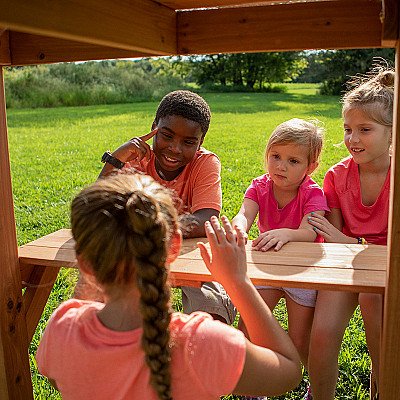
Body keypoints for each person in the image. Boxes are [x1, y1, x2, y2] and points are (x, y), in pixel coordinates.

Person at [36, 173, 302, 400]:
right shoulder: (204, 342)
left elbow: (57, 380)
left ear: (85, 265)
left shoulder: (62, 328)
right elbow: (288, 372)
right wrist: (238, 282)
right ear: (174, 246)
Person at [78, 90, 236, 324]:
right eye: (167, 136)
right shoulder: (134, 156)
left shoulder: (205, 163)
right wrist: (116, 158)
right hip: (138, 251)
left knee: (210, 308)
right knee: (95, 300)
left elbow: (206, 218)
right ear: (154, 127)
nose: (175, 148)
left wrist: (153, 228)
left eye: (188, 142)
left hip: (187, 252)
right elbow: (94, 208)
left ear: (200, 142)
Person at [307, 64, 394, 400]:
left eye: (365, 129)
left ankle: (383, 388)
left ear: (392, 131)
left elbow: (349, 239)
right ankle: (320, 395)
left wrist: (349, 242)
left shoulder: (397, 174)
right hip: (345, 264)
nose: (352, 139)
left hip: (387, 268)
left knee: (377, 315)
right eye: (347, 129)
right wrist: (349, 243)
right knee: (323, 334)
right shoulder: (336, 176)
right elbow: (334, 240)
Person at [232, 118, 329, 393]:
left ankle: (314, 385)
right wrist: (239, 228)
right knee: (248, 330)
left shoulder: (312, 192)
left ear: (311, 167)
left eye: (293, 161)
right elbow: (245, 214)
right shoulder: (259, 186)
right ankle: (253, 388)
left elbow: (310, 232)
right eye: (275, 156)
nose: (280, 166)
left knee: (299, 342)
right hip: (267, 268)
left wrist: (287, 233)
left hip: (303, 272)